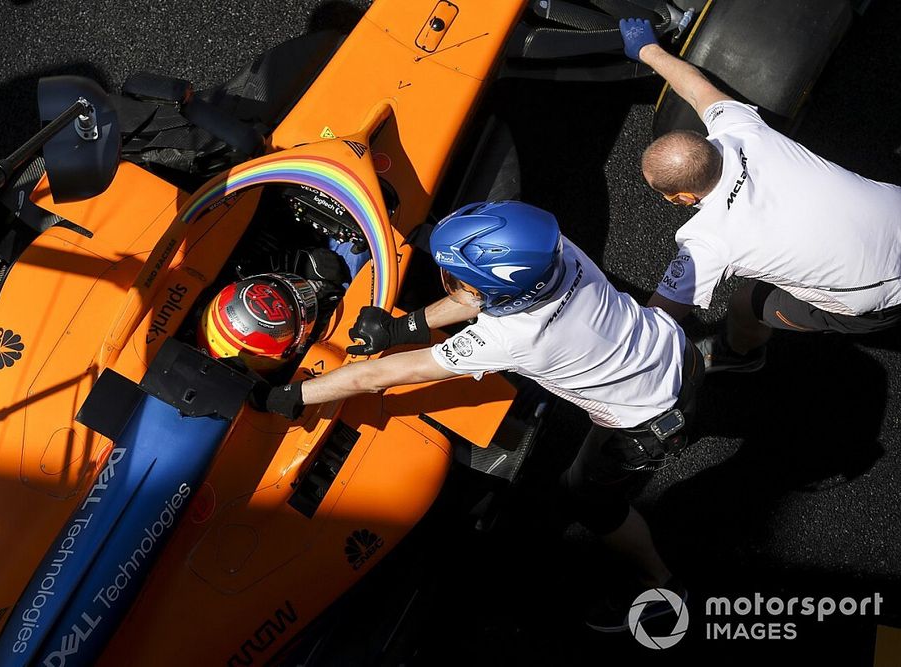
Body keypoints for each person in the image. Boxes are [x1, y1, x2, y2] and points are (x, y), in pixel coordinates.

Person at [258, 200, 704, 631]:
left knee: (588, 501)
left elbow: (383, 376)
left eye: (455, 279)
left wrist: (293, 394)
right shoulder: (554, 250)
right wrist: (401, 327)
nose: (451, 284)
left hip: (644, 423)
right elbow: (480, 296)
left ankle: (662, 587)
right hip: (677, 352)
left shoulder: (514, 339)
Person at [619, 18, 901, 373]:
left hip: (883, 301)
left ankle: (737, 355)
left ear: (682, 198)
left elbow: (655, 320)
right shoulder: (741, 129)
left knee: (746, 302)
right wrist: (648, 50)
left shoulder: (706, 240)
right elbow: (694, 89)